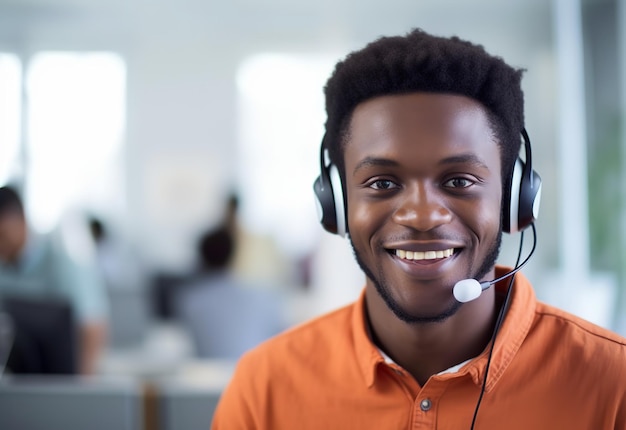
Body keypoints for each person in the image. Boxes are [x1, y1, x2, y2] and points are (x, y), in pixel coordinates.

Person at [211, 28, 626, 429]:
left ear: (515, 197)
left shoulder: (613, 384)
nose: (423, 216)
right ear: (335, 204)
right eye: (382, 184)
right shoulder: (264, 387)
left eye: (459, 181)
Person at [0, 185, 109, 374]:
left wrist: (77, 393)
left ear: (23, 222)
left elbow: (93, 327)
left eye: (2, 235)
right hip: (17, 381)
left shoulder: (64, 261)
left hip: (61, 382)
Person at [173, 224, 287, 360]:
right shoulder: (263, 296)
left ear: (201, 258)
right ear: (233, 255)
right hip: (252, 373)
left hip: (208, 377)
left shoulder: (189, 301)